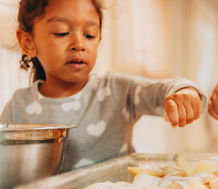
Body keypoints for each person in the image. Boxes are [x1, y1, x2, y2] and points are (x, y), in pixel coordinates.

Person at [0, 0, 206, 172]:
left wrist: (184, 92)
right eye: (62, 33)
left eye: (89, 35)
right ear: (29, 42)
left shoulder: (117, 90)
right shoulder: (19, 107)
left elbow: (161, 91)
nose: (79, 44)